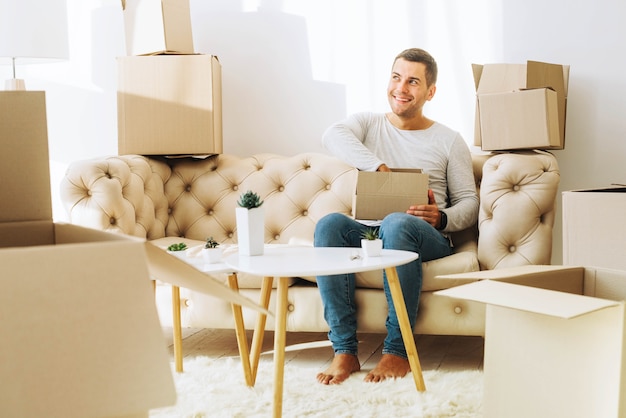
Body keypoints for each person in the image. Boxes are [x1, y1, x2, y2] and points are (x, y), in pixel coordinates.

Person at [314, 48, 479, 385]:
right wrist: (379, 168)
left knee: (397, 222)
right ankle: (344, 350)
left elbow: (469, 203)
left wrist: (441, 217)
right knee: (329, 224)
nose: (401, 88)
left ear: (430, 92)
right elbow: (332, 135)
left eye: (413, 81)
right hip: (372, 231)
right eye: (396, 77)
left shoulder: (449, 141)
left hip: (422, 234)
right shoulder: (367, 123)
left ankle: (397, 350)